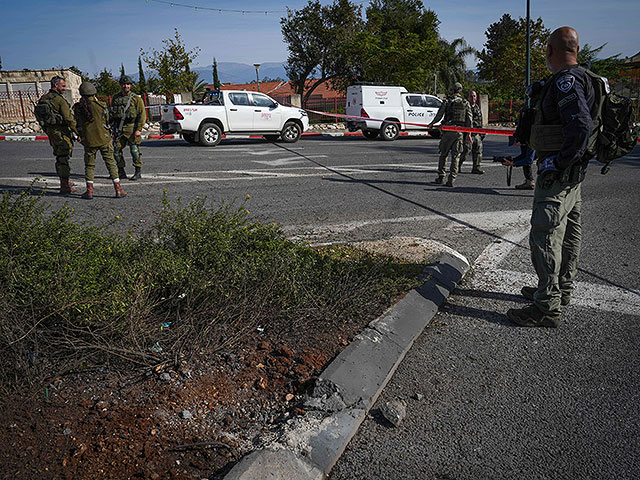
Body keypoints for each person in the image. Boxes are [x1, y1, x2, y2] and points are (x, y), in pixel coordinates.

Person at [507, 26, 595, 327]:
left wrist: (558, 161)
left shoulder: (566, 81)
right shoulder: (586, 78)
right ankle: (560, 289)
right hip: (575, 175)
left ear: (549, 51)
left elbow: (581, 126)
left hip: (558, 174)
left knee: (544, 234)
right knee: (570, 231)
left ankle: (546, 306)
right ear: (578, 51)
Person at [73, 81, 127, 199]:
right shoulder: (101, 106)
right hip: (104, 139)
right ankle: (118, 190)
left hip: (89, 141)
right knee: (111, 164)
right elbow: (107, 121)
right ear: (94, 93)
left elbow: (76, 124)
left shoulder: (78, 108)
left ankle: (89, 191)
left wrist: (79, 135)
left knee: (89, 166)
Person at [36, 76, 78, 194]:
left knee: (60, 157)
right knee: (64, 158)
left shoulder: (44, 98)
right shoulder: (59, 100)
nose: (64, 88)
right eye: (63, 86)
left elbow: (39, 116)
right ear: (56, 85)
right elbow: (69, 119)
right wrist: (79, 132)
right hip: (61, 132)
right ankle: (64, 186)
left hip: (52, 132)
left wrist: (47, 129)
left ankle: (64, 180)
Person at [428, 82, 472, 187]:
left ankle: (441, 177)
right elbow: (469, 120)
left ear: (453, 90)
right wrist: (468, 134)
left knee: (444, 154)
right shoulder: (465, 103)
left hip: (448, 131)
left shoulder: (447, 101)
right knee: (456, 157)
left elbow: (440, 114)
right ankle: (451, 180)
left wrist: (432, 123)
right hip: (459, 132)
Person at [110, 74, 147, 180]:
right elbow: (112, 112)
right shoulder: (116, 98)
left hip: (132, 127)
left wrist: (139, 129)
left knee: (134, 150)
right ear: (120, 85)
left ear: (131, 85)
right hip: (119, 128)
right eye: (123, 84)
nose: (125, 86)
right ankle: (121, 171)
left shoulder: (136, 99)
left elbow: (142, 114)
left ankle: (137, 171)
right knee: (116, 151)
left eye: (128, 84)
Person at [459, 90, 484, 174]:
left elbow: (480, 120)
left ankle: (476, 168)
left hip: (476, 133)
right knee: (465, 151)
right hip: (467, 133)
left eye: (474, 96)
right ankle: (457, 166)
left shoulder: (477, 107)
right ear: (468, 97)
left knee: (478, 151)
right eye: (471, 96)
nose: (472, 98)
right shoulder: (465, 107)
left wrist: (481, 133)